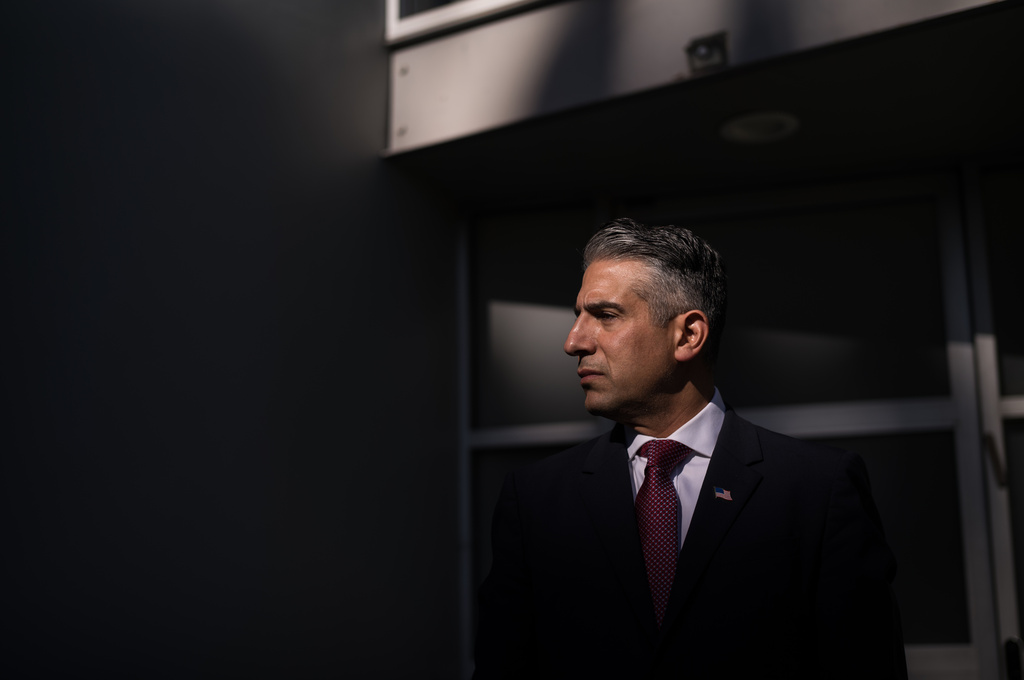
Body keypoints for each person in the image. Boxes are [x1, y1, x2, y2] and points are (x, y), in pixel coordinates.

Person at [473, 218, 907, 679]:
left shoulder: (817, 490)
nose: (573, 341)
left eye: (604, 315)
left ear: (687, 335)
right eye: (578, 315)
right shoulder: (536, 499)